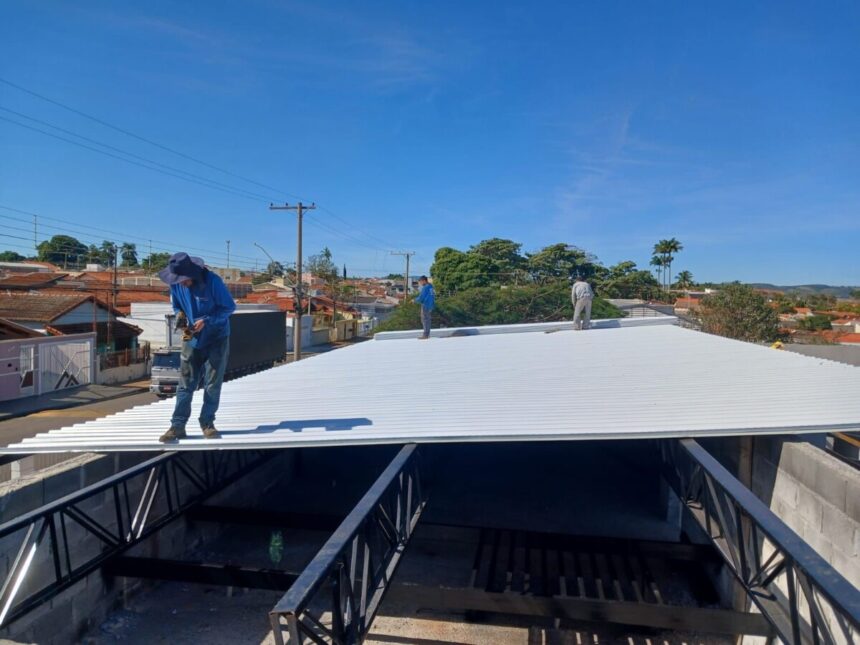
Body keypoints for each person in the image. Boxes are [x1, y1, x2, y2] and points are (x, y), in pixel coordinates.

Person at [157, 253, 236, 443]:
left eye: (183, 280)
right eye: (177, 280)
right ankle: (177, 426)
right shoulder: (176, 285)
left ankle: (207, 423)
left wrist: (207, 321)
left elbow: (229, 308)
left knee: (212, 383)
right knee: (185, 383)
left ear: (192, 274)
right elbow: (177, 306)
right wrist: (180, 315)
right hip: (192, 338)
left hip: (216, 337)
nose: (180, 284)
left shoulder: (213, 282)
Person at [413, 275, 435, 340]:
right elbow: (433, 296)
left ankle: (425, 335)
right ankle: (427, 334)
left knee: (424, 320)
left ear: (424, 281)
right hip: (430, 305)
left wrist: (414, 300)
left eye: (420, 282)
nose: (420, 283)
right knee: (428, 320)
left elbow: (421, 298)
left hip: (425, 305)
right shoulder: (431, 286)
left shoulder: (425, 287)